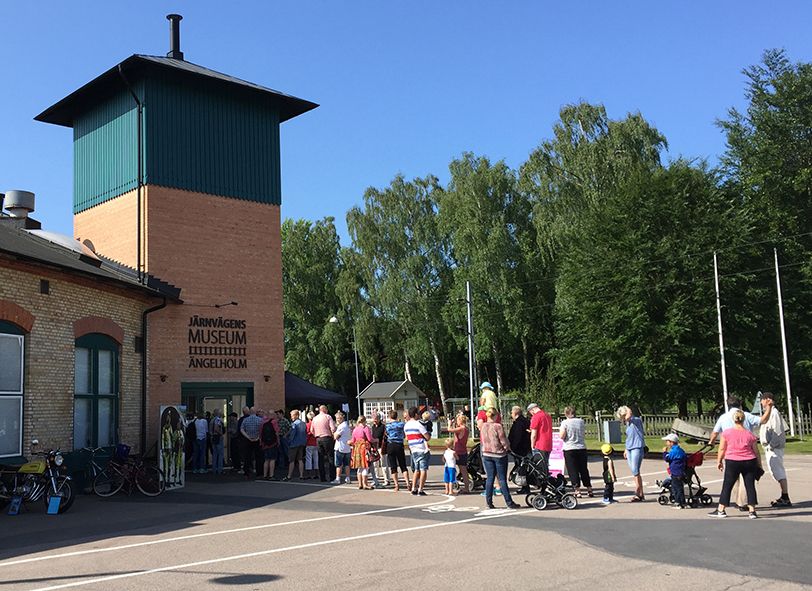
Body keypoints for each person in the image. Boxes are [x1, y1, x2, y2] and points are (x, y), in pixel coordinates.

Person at [708, 396, 769, 510]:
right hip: (748, 456)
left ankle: (723, 508)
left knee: (729, 483)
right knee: (747, 483)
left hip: (731, 455)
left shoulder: (724, 421)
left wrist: (714, 448)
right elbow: (762, 420)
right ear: (740, 406)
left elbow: (716, 434)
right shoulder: (749, 430)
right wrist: (769, 408)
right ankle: (748, 507)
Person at [709, 410, 760, 519]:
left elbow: (722, 448)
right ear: (743, 420)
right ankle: (752, 511)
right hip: (749, 460)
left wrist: (719, 461)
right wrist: (759, 464)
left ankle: (721, 509)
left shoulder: (727, 433)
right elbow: (756, 451)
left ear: (734, 419)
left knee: (727, 485)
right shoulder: (750, 434)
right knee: (750, 485)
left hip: (732, 460)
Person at [479, 408, 521, 510]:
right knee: (502, 479)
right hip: (498, 454)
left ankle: (489, 502)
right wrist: (508, 448)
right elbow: (503, 440)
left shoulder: (483, 426)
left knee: (490, 478)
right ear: (495, 416)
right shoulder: (498, 426)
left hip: (486, 453)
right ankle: (509, 502)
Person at [759, 392, 791, 507]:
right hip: (770, 447)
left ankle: (785, 497)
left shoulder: (774, 413)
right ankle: (783, 496)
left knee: (778, 471)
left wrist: (771, 446)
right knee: (775, 472)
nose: (761, 402)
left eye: (762, 400)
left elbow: (777, 431)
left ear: (768, 400)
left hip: (774, 448)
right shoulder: (769, 413)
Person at [559, 406, 592, 497]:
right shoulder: (581, 421)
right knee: (583, 469)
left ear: (566, 413)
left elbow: (562, 436)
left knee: (573, 470)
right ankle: (589, 488)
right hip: (581, 447)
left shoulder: (565, 423)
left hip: (570, 448)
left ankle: (577, 490)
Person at [617, 405, 645, 501]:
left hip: (637, 447)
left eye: (623, 416)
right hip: (629, 448)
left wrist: (627, 409)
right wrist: (625, 449)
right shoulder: (628, 424)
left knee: (635, 470)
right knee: (634, 472)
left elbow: (629, 416)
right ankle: (641, 493)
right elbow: (629, 437)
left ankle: (638, 492)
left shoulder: (636, 420)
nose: (623, 418)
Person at [405, 407, 430, 496]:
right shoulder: (418, 424)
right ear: (415, 414)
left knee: (416, 469)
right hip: (421, 448)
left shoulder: (406, 425)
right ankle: (420, 489)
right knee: (423, 469)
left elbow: (407, 437)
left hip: (413, 448)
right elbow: (427, 436)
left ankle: (413, 488)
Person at [385, 409, 411, 492]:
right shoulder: (401, 424)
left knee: (393, 466)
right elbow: (404, 435)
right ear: (397, 416)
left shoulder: (387, 425)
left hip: (391, 445)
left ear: (390, 416)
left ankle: (396, 485)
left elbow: (386, 435)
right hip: (399, 445)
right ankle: (407, 483)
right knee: (403, 465)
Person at [508, 406, 531, 494]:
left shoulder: (518, 423)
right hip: (525, 447)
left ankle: (525, 486)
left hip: (520, 449)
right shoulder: (525, 421)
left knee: (521, 467)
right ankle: (525, 486)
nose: (511, 414)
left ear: (515, 413)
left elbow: (517, 437)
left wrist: (512, 448)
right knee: (524, 467)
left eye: (512, 412)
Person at [311, 405, 337, 482]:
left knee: (320, 458)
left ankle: (322, 477)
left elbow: (312, 430)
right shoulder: (328, 417)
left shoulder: (315, 418)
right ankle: (332, 476)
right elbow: (333, 428)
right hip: (327, 438)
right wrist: (333, 435)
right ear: (325, 410)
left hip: (318, 439)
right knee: (330, 458)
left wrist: (316, 435)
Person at [662, 433, 687, 509]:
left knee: (676, 488)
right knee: (679, 487)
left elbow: (667, 458)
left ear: (671, 442)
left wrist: (665, 452)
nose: (666, 443)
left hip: (676, 472)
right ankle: (682, 502)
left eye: (667, 441)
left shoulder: (674, 451)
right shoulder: (680, 450)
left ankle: (678, 502)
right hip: (680, 471)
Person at [447, 414, 470, 494]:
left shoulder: (461, 428)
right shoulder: (466, 428)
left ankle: (452, 486)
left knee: (454, 468)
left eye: (458, 419)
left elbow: (449, 429)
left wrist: (449, 423)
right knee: (463, 470)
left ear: (460, 420)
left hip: (459, 451)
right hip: (463, 450)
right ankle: (466, 486)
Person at [350, 415, 374, 490]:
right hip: (364, 448)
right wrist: (376, 440)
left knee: (359, 467)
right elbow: (370, 439)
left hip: (357, 448)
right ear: (364, 421)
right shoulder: (365, 428)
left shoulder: (355, 429)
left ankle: (360, 484)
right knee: (365, 466)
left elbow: (353, 441)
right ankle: (365, 484)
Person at [240, 407, 263, 480]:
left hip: (248, 440)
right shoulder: (260, 420)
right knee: (258, 457)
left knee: (247, 457)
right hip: (257, 440)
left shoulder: (245, 420)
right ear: (255, 412)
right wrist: (258, 437)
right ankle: (259, 473)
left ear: (249, 412)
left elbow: (241, 429)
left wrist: (248, 437)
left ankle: (246, 473)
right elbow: (262, 430)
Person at [285, 410, 307, 481]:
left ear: (296, 415)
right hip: (302, 443)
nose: (291, 417)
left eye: (292, 416)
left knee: (292, 460)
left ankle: (289, 476)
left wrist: (288, 441)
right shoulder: (303, 423)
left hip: (294, 444)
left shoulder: (294, 424)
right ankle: (301, 475)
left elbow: (292, 435)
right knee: (300, 459)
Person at [259, 409, 280, 481]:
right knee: (272, 459)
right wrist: (278, 442)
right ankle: (271, 475)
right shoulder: (274, 422)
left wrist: (261, 442)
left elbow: (261, 433)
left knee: (266, 459)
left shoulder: (263, 422)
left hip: (265, 444)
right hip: (273, 443)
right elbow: (277, 433)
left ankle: (265, 475)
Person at [332, 412, 352, 484]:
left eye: (338, 418)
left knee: (339, 464)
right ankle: (348, 478)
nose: (337, 420)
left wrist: (334, 432)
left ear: (341, 418)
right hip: (347, 447)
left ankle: (338, 478)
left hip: (340, 447)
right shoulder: (347, 426)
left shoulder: (341, 427)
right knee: (347, 464)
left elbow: (335, 437)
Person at [369, 413, 386, 488]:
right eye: (374, 419)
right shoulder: (372, 427)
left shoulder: (383, 426)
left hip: (381, 447)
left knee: (383, 464)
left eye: (376, 419)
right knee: (375, 464)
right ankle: (376, 479)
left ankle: (386, 479)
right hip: (375, 448)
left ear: (379, 419)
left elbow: (384, 437)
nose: (375, 421)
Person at [209, 408, 225, 475]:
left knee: (214, 454)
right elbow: (216, 428)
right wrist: (221, 433)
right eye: (221, 412)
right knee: (220, 454)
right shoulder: (218, 420)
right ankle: (220, 470)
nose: (222, 414)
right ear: (218, 413)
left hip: (213, 437)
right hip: (218, 437)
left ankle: (214, 469)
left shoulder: (211, 420)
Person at [304, 411, 319, 480]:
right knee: (316, 459)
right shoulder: (317, 424)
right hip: (316, 443)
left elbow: (306, 434)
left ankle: (309, 474)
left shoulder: (307, 425)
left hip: (309, 443)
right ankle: (316, 474)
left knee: (308, 459)